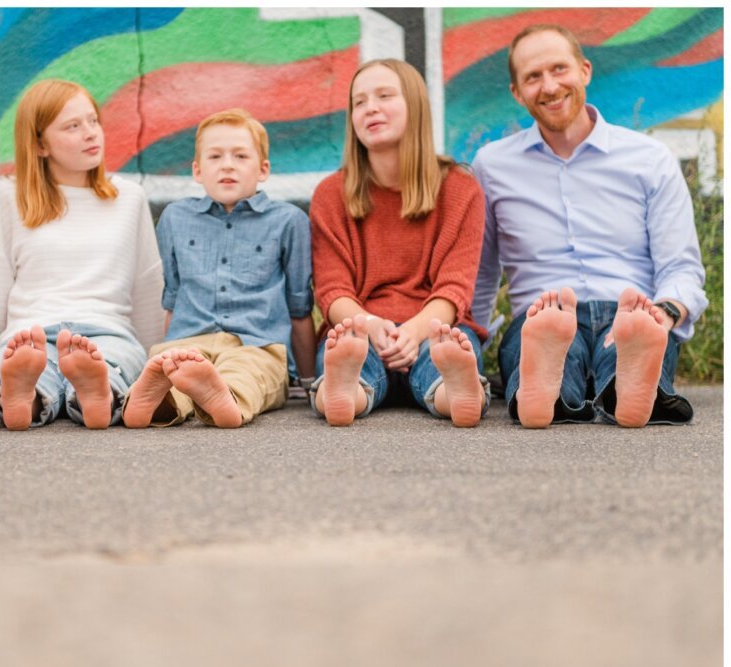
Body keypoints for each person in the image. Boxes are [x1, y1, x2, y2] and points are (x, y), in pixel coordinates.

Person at [471, 24, 708, 429]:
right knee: (540, 342)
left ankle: (626, 385)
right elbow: (480, 276)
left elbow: (681, 268)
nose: (549, 86)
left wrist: (662, 314)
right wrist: (470, 353)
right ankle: (547, 391)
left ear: (584, 70)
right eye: (533, 77)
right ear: (516, 92)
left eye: (559, 69)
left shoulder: (648, 158)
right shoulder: (491, 166)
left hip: (631, 310)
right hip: (542, 313)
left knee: (634, 343)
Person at [309, 59, 490, 428]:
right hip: (360, 328)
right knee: (347, 350)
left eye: (384, 96)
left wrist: (413, 331)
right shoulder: (331, 195)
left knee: (446, 351)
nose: (370, 107)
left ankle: (457, 393)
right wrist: (372, 326)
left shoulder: (460, 188)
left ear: (416, 106)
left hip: (434, 326)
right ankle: (343, 392)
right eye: (359, 102)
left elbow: (455, 288)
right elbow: (332, 291)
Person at [0, 79, 164, 431]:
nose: (91, 133)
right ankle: (25, 397)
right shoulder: (7, 197)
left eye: (93, 121)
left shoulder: (129, 197)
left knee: (113, 364)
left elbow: (147, 285)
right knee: (17, 362)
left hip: (108, 332)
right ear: (39, 144)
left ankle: (96, 393)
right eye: (72, 126)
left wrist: (151, 355)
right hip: (31, 334)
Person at [122, 108, 316, 429]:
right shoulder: (175, 218)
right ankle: (157, 402)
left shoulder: (288, 221)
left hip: (255, 344)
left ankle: (223, 397)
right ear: (197, 171)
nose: (227, 164)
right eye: (215, 157)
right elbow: (171, 298)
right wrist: (167, 346)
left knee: (247, 373)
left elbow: (300, 307)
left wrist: (308, 381)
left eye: (240, 156)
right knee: (173, 367)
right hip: (187, 342)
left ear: (263, 169)